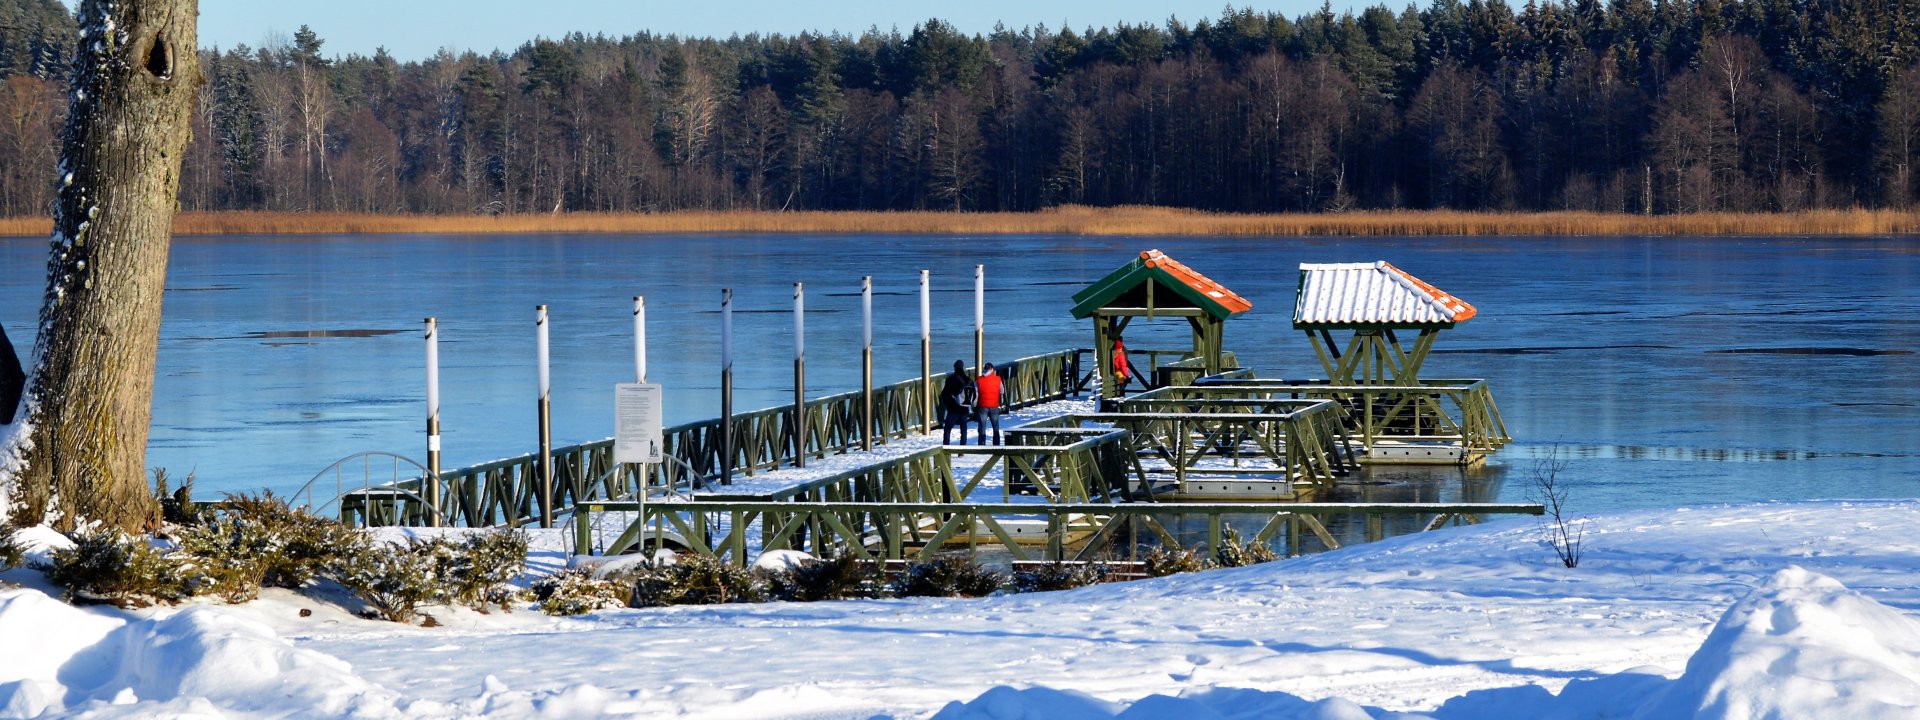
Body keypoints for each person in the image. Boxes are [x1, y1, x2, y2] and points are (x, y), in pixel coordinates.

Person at [938, 359, 977, 445]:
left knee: (947, 429)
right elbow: (974, 395)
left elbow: (945, 394)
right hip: (964, 409)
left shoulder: (951, 379)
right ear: (963, 367)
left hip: (953, 409)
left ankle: (946, 447)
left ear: (955, 368)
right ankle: (962, 449)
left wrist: (947, 404)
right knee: (963, 429)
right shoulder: (969, 380)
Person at [974, 362, 1004, 445]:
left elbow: (975, 394)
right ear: (992, 370)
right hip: (994, 406)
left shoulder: (979, 380)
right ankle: (996, 445)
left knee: (982, 426)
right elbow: (1002, 391)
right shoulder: (998, 379)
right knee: (995, 427)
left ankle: (982, 445)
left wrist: (974, 404)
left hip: (982, 406)